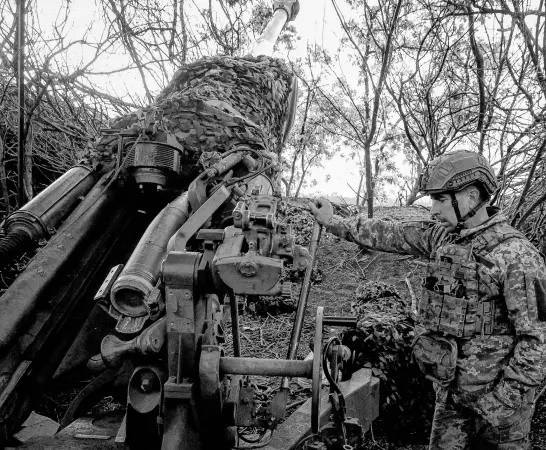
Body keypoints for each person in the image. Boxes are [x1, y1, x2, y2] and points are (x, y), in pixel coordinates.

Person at [309, 150, 546, 450]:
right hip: (451, 398)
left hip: (501, 410)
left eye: (440, 200)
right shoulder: (441, 238)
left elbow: (537, 340)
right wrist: (332, 221)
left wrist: (503, 401)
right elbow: (389, 233)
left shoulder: (516, 256)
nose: (433, 209)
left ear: (471, 198)